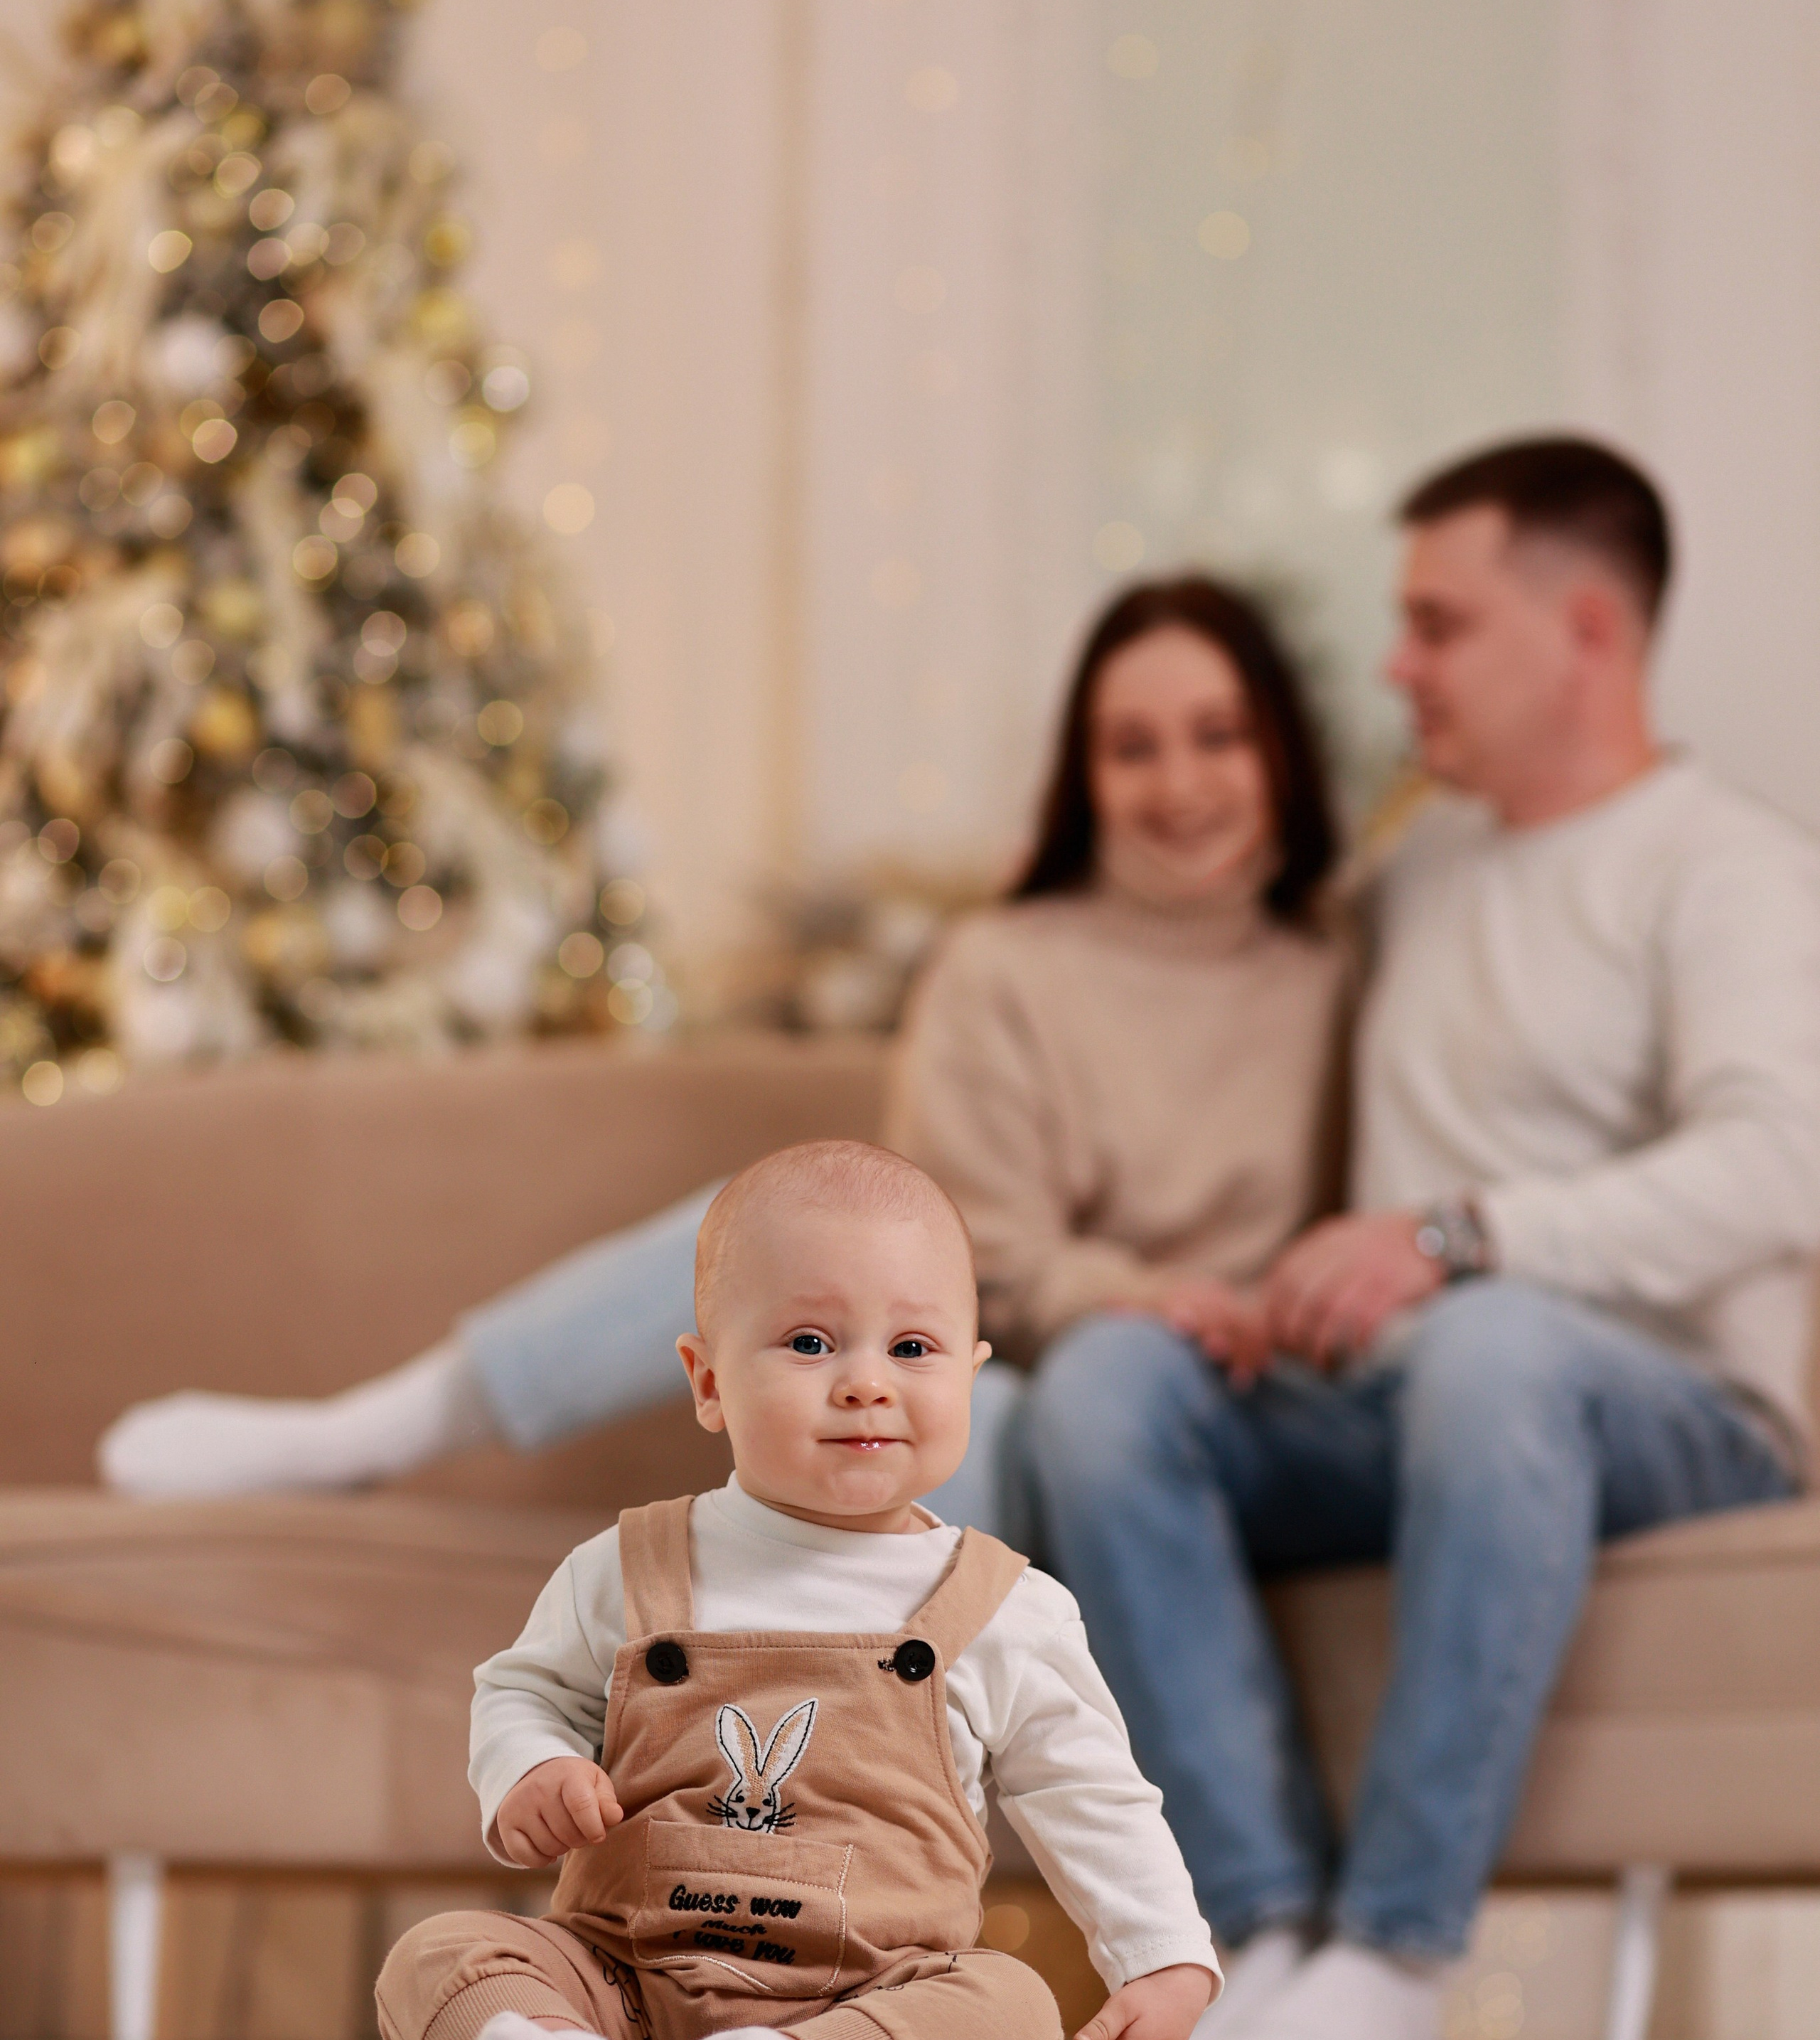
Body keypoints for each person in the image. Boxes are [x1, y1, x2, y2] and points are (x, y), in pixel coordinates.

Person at [1023, 434, 1820, 2040]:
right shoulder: (1414, 874)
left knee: (1490, 1343)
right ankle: (1254, 1926)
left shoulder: (1727, 869)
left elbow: (1779, 1165)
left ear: (1585, 632)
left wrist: (1458, 1243)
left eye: (1435, 624)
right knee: (1103, 1388)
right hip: (1395, 1405)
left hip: (1670, 1416)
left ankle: (1397, 1945)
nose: (1393, 668)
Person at [97, 575, 1351, 1552]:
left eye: (1219, 735)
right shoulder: (1002, 967)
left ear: (1281, 751)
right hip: (1022, 1393)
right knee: (780, 1233)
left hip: (1237, 1427)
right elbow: (976, 1247)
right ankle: (377, 1428)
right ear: (1087, 775)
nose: (1180, 782)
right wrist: (1131, 1295)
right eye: (1134, 747)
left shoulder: (1346, 968)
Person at [374, 1141, 1221, 2040]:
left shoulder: (1006, 1607)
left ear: (974, 1369)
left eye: (913, 1349)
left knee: (1013, 2012)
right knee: (435, 1956)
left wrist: (1163, 1957)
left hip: (877, 1994)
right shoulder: (631, 1565)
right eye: (811, 1344)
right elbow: (522, 1691)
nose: (866, 1383)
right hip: (622, 1978)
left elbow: (1092, 1795)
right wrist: (535, 1767)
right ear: (709, 1380)